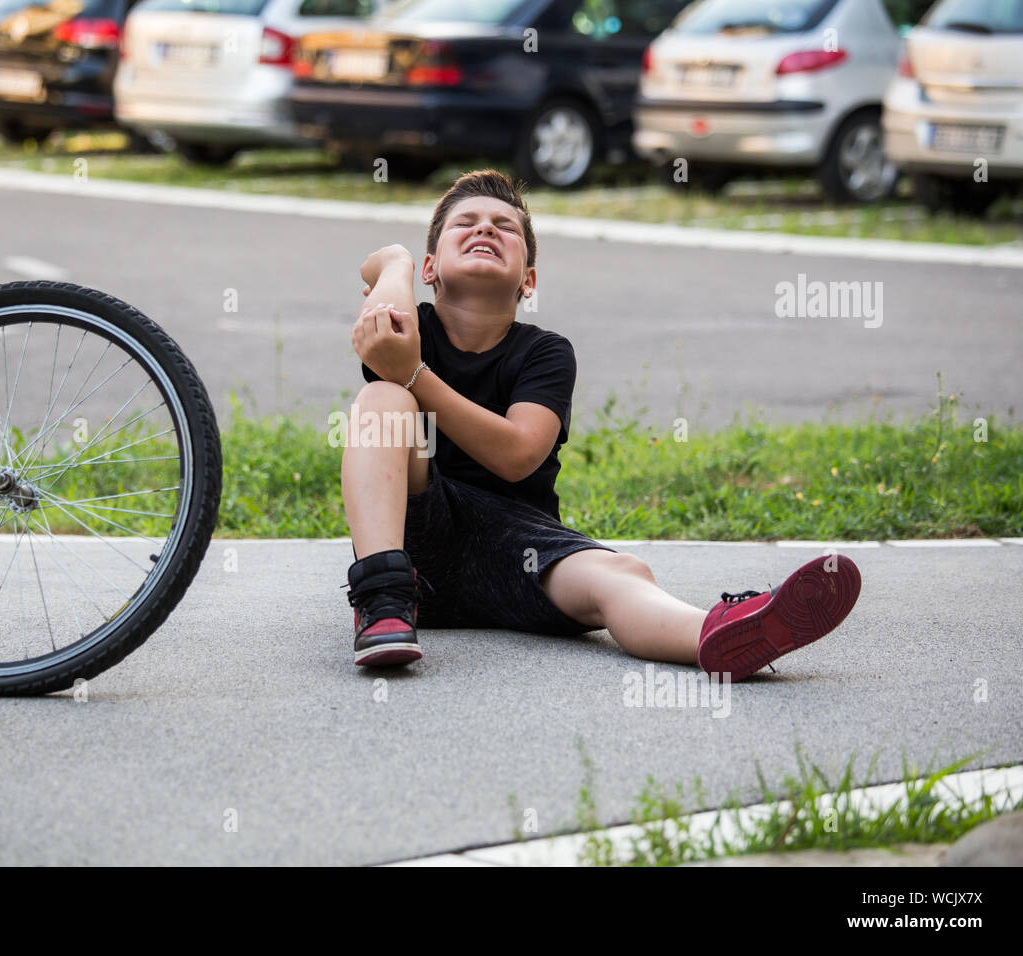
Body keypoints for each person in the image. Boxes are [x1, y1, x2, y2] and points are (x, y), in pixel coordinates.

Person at [340, 169, 860, 675]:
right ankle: (381, 602)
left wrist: (415, 374)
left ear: (529, 279)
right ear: (429, 270)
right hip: (414, 552)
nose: (485, 229)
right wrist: (395, 261)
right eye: (466, 222)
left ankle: (723, 631)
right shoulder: (416, 331)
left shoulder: (545, 352)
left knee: (621, 573)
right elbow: (388, 341)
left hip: (517, 551)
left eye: (506, 227)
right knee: (383, 397)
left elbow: (518, 456)